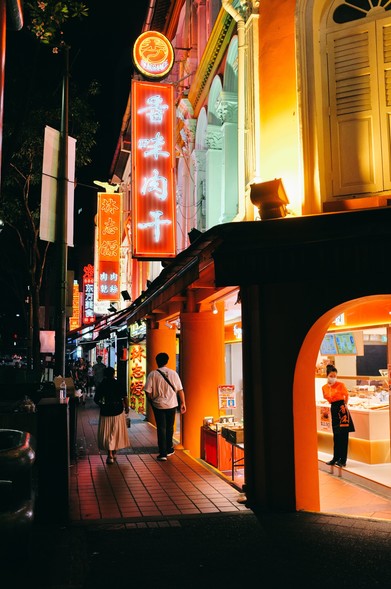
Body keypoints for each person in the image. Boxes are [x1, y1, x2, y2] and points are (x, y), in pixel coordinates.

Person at [144, 352, 186, 461]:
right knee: (169, 427)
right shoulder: (173, 373)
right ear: (167, 361)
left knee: (161, 428)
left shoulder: (152, 374)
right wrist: (183, 403)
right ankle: (169, 449)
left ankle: (162, 453)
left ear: (156, 361)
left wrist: (151, 401)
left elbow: (147, 391)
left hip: (158, 405)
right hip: (172, 404)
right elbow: (180, 390)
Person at [94, 366, 129, 464]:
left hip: (105, 411)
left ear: (104, 374)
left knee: (107, 432)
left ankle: (109, 455)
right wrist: (126, 407)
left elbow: (96, 399)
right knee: (115, 431)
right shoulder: (118, 383)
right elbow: (124, 397)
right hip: (117, 411)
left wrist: (101, 405)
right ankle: (114, 452)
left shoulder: (102, 384)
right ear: (114, 374)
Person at [322, 364, 355, 467]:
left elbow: (346, 395)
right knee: (336, 435)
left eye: (335, 376)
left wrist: (344, 405)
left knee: (343, 435)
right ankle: (335, 458)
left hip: (342, 409)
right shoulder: (324, 387)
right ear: (327, 375)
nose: (333, 378)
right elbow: (327, 398)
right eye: (331, 375)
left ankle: (343, 460)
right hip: (333, 408)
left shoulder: (340, 384)